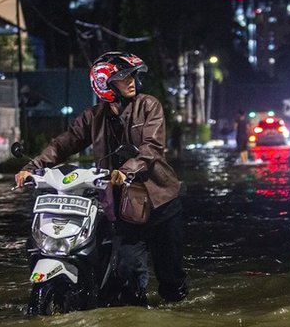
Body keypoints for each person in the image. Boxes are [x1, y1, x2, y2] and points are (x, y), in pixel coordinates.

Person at [14, 52, 188, 305]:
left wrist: (126, 170)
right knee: (127, 272)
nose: (131, 81)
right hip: (124, 210)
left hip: (161, 202)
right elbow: (63, 144)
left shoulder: (149, 105)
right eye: (122, 77)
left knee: (171, 279)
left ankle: (178, 315)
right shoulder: (92, 117)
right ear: (104, 84)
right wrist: (32, 167)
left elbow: (151, 148)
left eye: (131, 76)